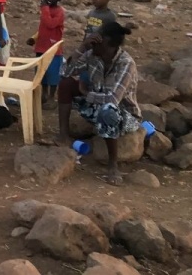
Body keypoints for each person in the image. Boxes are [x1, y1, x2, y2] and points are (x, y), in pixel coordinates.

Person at [57, 21, 140, 186]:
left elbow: (113, 100)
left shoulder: (126, 64)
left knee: (108, 109)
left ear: (109, 45)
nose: (93, 41)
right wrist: (82, 47)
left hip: (124, 116)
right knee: (66, 84)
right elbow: (64, 72)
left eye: (98, 40)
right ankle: (63, 136)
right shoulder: (92, 54)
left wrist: (86, 93)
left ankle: (113, 165)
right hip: (97, 108)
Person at [26, 0, 66, 109]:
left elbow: (50, 24)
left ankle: (51, 97)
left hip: (53, 50)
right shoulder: (47, 10)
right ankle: (43, 94)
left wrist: (44, 9)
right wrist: (34, 38)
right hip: (41, 47)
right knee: (41, 73)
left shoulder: (59, 12)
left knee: (53, 74)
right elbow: (43, 28)